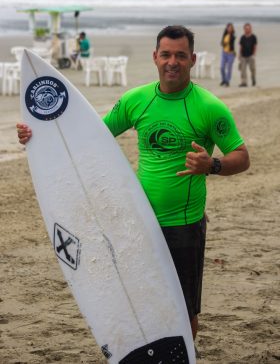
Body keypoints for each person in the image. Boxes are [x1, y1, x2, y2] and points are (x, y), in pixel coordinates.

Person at [17, 25, 250, 345]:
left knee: (184, 309)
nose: (172, 61)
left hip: (184, 226)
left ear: (192, 60)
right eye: (166, 54)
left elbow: (242, 156)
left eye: (180, 55)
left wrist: (212, 165)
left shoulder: (209, 108)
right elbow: (88, 136)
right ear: (155, 57)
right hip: (137, 221)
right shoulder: (136, 100)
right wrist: (36, 135)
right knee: (141, 299)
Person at [239, 23, 257, 87]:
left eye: (248, 28)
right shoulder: (242, 37)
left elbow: (255, 46)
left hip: (250, 56)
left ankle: (253, 79)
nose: (247, 30)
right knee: (243, 70)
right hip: (243, 56)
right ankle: (244, 82)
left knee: (252, 69)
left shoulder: (253, 37)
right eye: (246, 28)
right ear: (244, 29)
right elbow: (241, 47)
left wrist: (253, 55)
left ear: (250, 29)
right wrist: (240, 55)